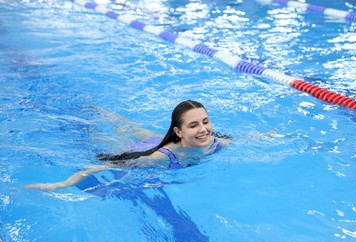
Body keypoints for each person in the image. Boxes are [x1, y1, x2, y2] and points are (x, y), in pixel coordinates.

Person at [25, 100, 231, 191]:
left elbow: (249, 139)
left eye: (205, 121)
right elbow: (106, 167)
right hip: (147, 148)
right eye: (193, 125)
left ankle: (104, 113)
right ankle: (92, 116)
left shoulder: (215, 143)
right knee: (99, 138)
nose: (203, 129)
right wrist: (61, 184)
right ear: (178, 131)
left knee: (130, 127)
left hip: (158, 139)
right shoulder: (161, 157)